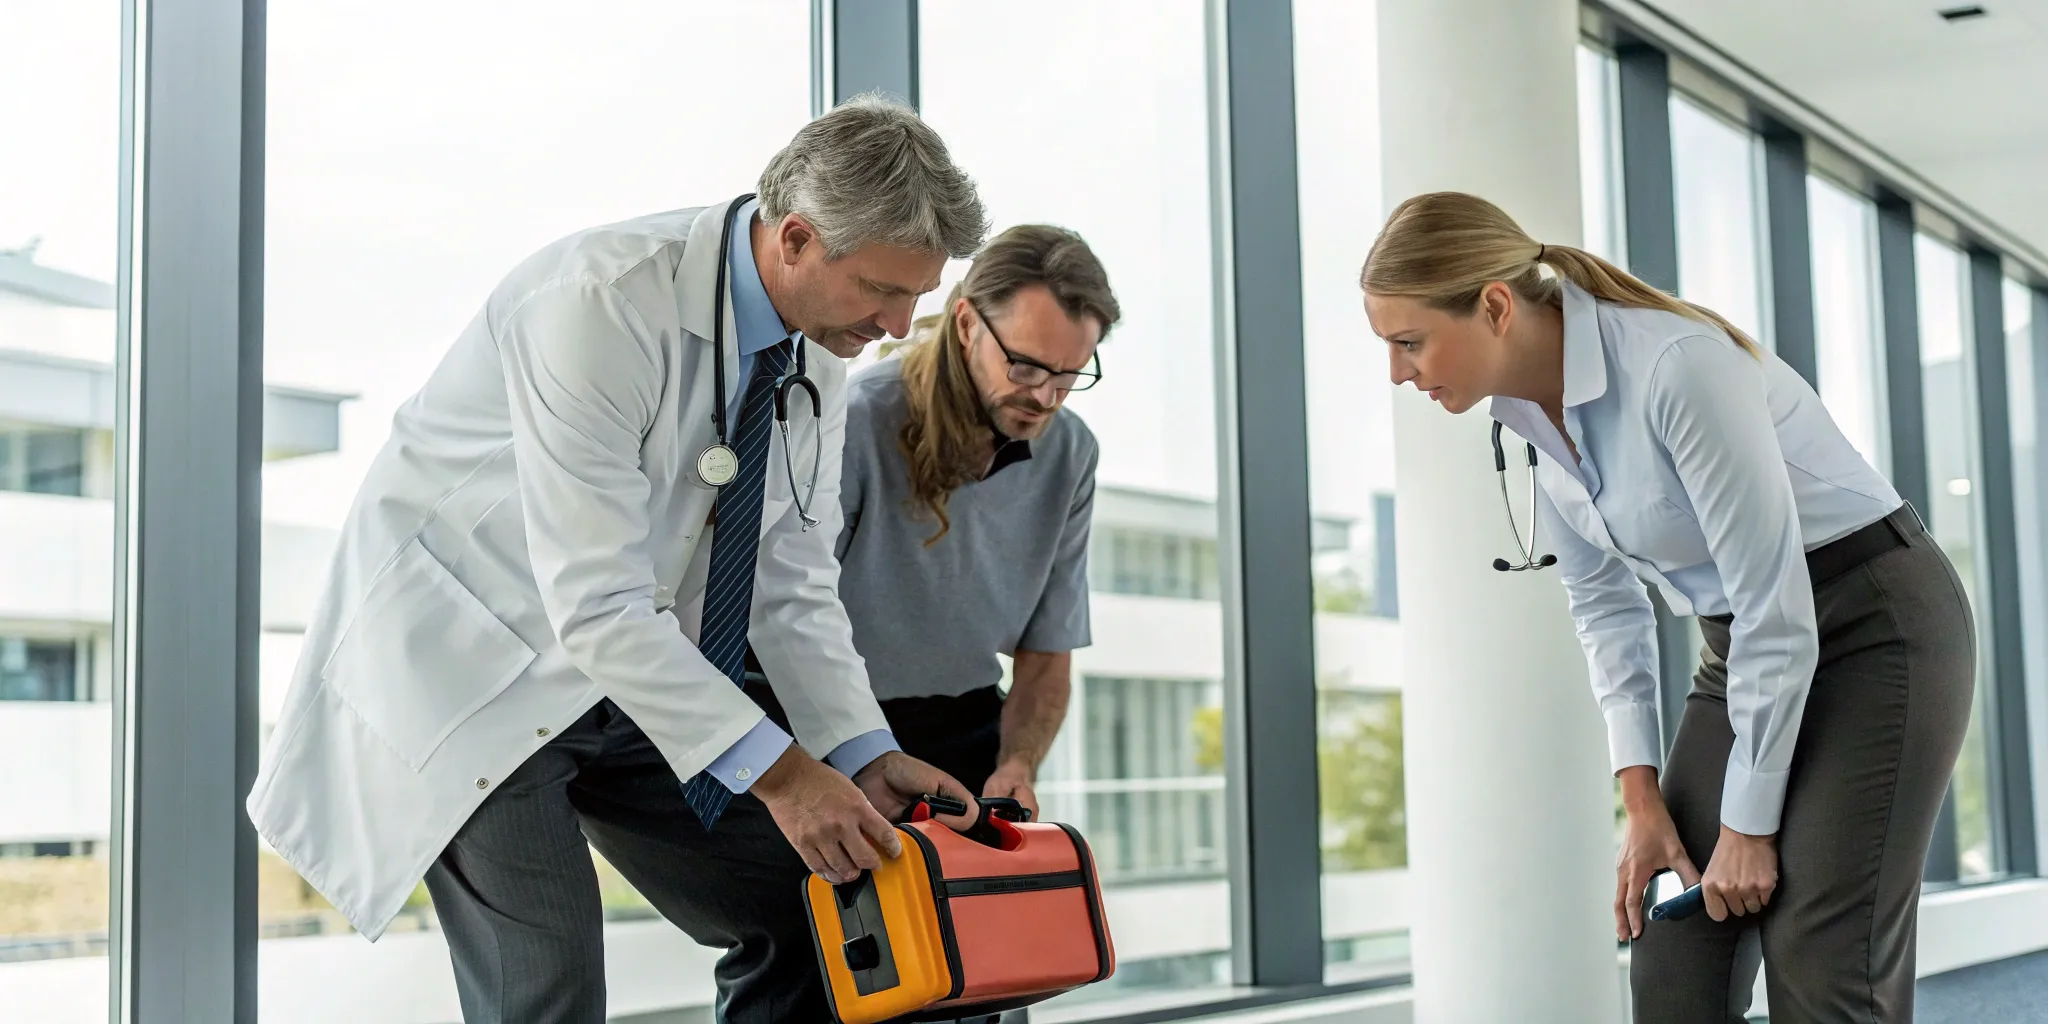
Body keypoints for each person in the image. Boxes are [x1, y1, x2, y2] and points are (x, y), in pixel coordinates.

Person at [246, 95, 991, 1024]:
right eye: (882, 290)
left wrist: (859, 750)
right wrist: (790, 777)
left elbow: (792, 579)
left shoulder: (815, 360)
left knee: (807, 905)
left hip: (634, 675)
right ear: (796, 238)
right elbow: (595, 602)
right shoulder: (596, 302)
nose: (897, 323)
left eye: (917, 295)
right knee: (548, 988)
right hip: (483, 673)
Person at [1360, 191, 1975, 1022]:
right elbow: (1606, 606)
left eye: (1409, 342)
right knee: (1676, 959)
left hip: (1875, 625)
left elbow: (1775, 602)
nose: (1399, 372)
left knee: (1822, 959)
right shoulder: (1525, 419)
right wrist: (1643, 806)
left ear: (1495, 306)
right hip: (1745, 645)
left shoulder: (1676, 366)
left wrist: (1749, 830)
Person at [742, 224, 1118, 1021]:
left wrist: (1017, 763)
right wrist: (829, 764)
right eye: (1025, 366)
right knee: (814, 981)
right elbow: (783, 610)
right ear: (965, 322)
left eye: (1068, 375)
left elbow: (1046, 654)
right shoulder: (853, 419)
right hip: (829, 734)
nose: (1044, 396)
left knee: (981, 979)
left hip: (965, 734)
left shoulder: (1071, 452)